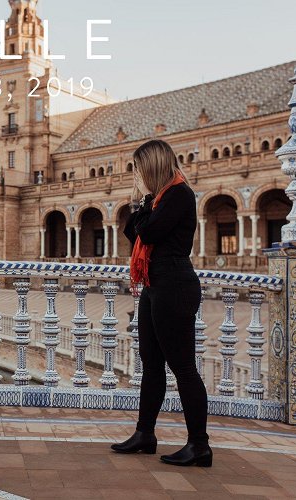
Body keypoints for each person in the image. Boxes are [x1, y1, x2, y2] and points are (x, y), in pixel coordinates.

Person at [111, 139, 212, 467]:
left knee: (182, 366)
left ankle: (199, 445)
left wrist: (140, 203)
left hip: (175, 285)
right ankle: (145, 433)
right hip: (156, 284)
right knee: (151, 363)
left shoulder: (179, 195)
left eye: (139, 168)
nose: (136, 174)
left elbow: (148, 234)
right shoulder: (158, 200)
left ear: (152, 166)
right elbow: (132, 232)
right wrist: (142, 205)